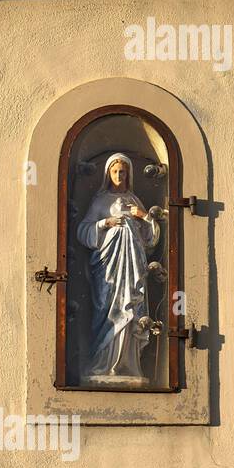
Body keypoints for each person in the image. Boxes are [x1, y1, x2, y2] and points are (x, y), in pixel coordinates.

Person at [76, 153, 159, 382]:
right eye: (115, 172)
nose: (119, 176)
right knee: (107, 310)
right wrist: (106, 223)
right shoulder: (100, 201)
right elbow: (83, 231)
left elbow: (150, 238)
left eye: (123, 172)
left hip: (132, 268)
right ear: (108, 174)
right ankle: (102, 364)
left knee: (129, 308)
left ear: (128, 174)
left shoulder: (134, 201)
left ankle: (128, 365)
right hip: (108, 268)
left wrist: (143, 216)